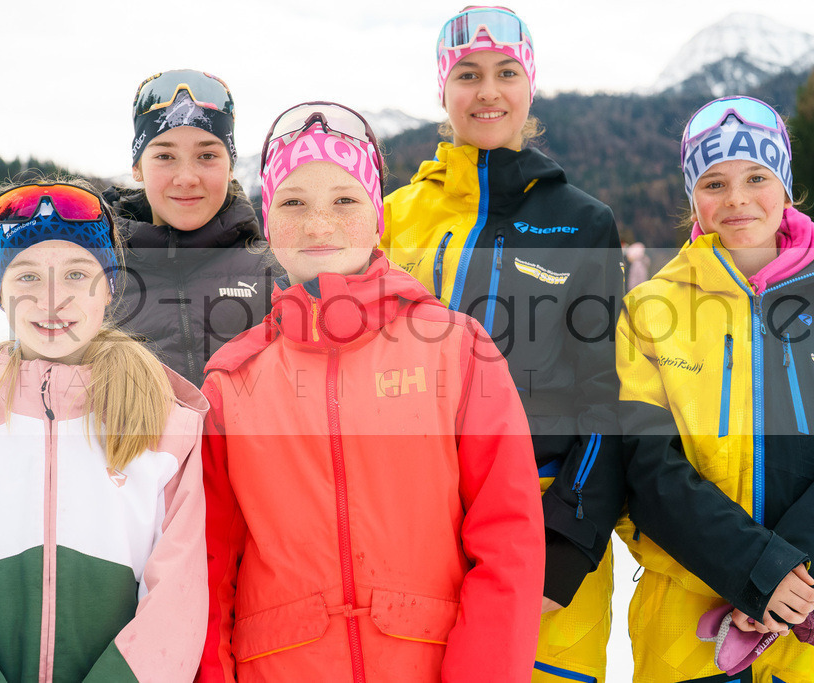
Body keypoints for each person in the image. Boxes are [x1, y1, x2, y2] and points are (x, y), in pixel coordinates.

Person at [197, 102, 544, 682]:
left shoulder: (456, 351)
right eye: (293, 202)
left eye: (343, 200)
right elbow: (208, 570)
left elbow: (508, 541)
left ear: (378, 215)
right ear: (267, 219)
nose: (317, 225)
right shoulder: (233, 381)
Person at [381, 6, 625, 681]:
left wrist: (567, 544)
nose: (487, 91)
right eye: (468, 74)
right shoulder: (393, 217)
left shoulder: (582, 222)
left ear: (529, 85)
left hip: (537, 539)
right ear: (443, 89)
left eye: (505, 72)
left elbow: (606, 399)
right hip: (406, 533)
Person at [0, 181, 209, 682]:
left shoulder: (171, 434)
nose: (52, 299)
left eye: (77, 274)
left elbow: (177, 608)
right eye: (27, 277)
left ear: (108, 288)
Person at [617, 95, 814, 681]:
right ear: (693, 199)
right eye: (714, 182)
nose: (736, 198)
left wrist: (795, 576)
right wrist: (754, 568)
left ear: (785, 184)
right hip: (686, 625)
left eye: (756, 176)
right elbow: (643, 463)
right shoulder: (647, 312)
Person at [106, 69, 274, 384]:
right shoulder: (96, 272)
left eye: (207, 155)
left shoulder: (275, 273)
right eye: (165, 156)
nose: (186, 178)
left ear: (231, 167)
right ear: (137, 167)